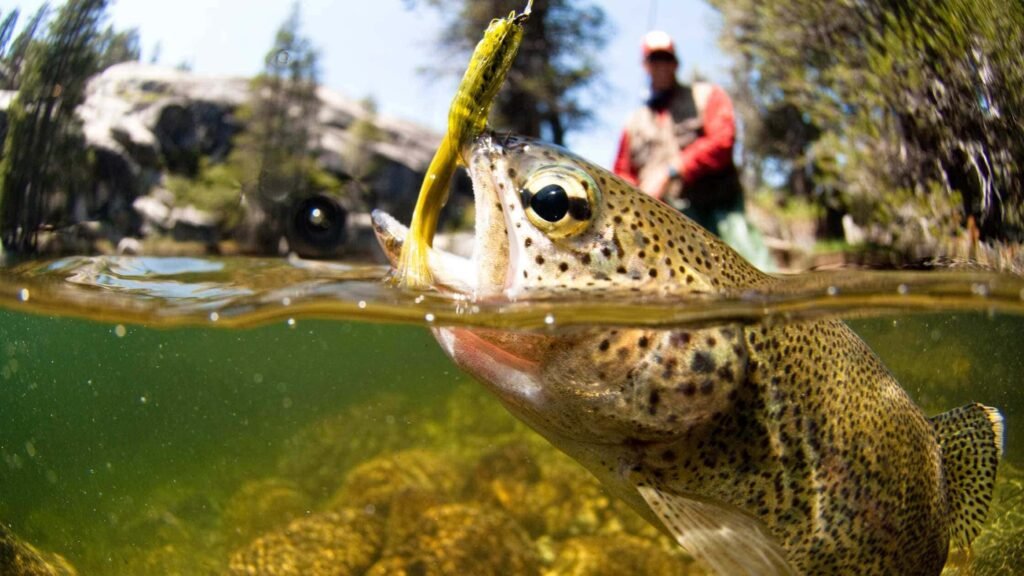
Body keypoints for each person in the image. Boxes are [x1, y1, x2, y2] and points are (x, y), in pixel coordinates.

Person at [614, 31, 772, 270]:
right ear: (645, 66)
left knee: (756, 276)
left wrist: (673, 170)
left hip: (721, 214)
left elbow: (723, 142)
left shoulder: (707, 96)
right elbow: (622, 173)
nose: (661, 66)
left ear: (676, 63)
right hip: (664, 229)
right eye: (654, 60)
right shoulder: (633, 123)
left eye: (666, 58)